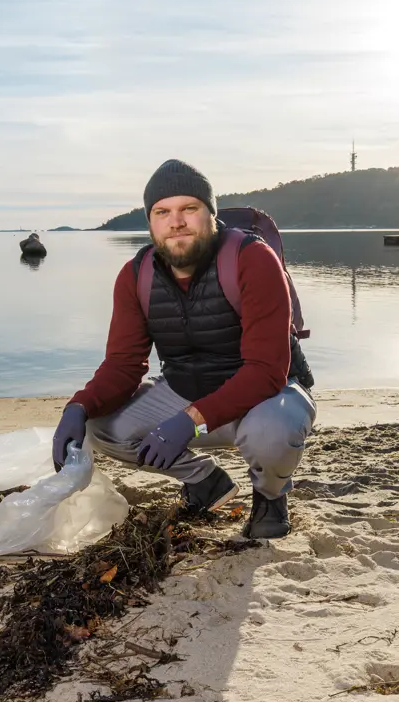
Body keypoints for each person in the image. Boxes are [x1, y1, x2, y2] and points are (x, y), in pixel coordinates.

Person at [53, 159, 316, 539]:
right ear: (150, 222)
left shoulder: (253, 259)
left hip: (268, 395)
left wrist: (190, 420)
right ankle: (206, 482)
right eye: (162, 212)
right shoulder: (135, 275)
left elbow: (266, 370)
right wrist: (78, 406)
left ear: (210, 214)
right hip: (184, 391)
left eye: (188, 209)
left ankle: (270, 498)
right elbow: (124, 364)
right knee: (101, 427)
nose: (176, 222)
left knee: (273, 433)